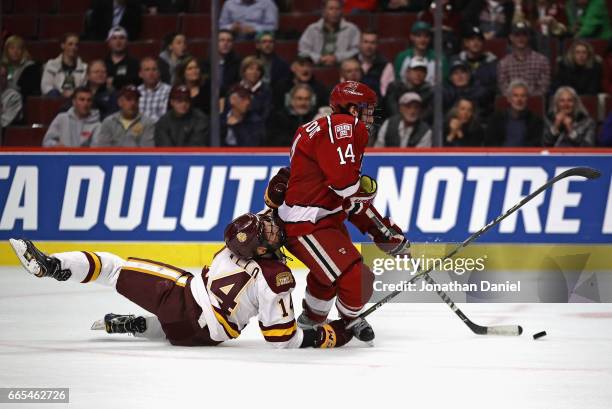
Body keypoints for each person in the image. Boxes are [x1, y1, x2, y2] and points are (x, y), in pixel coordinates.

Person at [8, 212, 354, 349]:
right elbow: (281, 337)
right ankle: (135, 325)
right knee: (174, 316)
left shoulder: (236, 250)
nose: (272, 228)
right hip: (202, 337)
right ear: (259, 247)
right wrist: (331, 335)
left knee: (113, 267)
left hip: (182, 303)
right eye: (266, 229)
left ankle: (51, 266)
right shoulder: (276, 277)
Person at [265, 81, 411, 343]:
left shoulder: (323, 129)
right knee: (358, 279)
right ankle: (348, 319)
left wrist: (384, 234)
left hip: (322, 218)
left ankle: (312, 320)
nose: (370, 116)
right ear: (353, 109)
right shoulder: (346, 128)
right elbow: (345, 187)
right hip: (306, 223)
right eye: (367, 109)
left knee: (328, 276)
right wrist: (382, 229)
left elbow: (346, 198)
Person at [298, 0, 361, 66]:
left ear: (342, 11)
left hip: (343, 67)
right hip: (316, 67)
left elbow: (357, 50)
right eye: (331, 8)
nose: (334, 12)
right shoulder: (312, 29)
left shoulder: (351, 29)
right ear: (324, 11)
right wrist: (319, 58)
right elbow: (303, 50)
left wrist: (337, 57)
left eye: (337, 9)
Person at [497, 21, 551, 96]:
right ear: (511, 37)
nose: (520, 38)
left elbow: (543, 88)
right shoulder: (503, 63)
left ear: (528, 37)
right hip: (512, 104)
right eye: (517, 35)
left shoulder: (542, 61)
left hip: (534, 103)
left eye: (524, 35)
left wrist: (525, 98)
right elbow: (504, 89)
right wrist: (517, 98)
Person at [485, 79, 544, 146]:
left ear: (527, 99)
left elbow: (536, 145)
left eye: (523, 96)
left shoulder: (536, 121)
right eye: (515, 95)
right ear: (509, 99)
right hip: (501, 155)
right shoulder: (496, 119)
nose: (519, 100)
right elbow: (490, 144)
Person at [453, 26, 498, 104]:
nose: (476, 43)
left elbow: (492, 88)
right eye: (472, 39)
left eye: (479, 40)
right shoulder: (456, 61)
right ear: (466, 42)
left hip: (482, 105)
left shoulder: (491, 63)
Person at [394, 21, 447, 85]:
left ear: (430, 38)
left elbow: (444, 84)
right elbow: (397, 81)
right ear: (411, 37)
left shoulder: (440, 58)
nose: (422, 40)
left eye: (426, 36)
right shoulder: (402, 57)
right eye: (418, 36)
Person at [40, 33, 87, 98]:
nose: (73, 47)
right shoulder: (51, 65)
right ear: (63, 45)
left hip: (76, 99)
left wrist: (74, 93)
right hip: (55, 98)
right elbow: (45, 87)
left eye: (76, 45)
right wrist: (62, 93)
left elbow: (84, 87)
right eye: (70, 44)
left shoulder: (84, 67)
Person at [204, 30, 242, 98]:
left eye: (229, 40)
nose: (225, 43)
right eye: (222, 40)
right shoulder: (205, 64)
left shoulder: (238, 64)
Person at [356, 30, 394, 98]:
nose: (369, 46)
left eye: (372, 43)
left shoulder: (386, 66)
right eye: (365, 42)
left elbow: (384, 94)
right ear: (360, 44)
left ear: (377, 45)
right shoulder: (351, 62)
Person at [238, 56, 272, 121]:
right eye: (251, 69)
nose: (254, 72)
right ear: (244, 71)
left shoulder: (266, 91)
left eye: (258, 70)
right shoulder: (235, 89)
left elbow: (266, 113)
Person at [138, 57, 171, 122]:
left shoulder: (168, 91)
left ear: (159, 73)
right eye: (147, 70)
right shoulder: (136, 92)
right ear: (140, 74)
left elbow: (165, 118)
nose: (151, 73)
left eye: (154, 69)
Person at [0, 65, 23, 134]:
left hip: (6, 137)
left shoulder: (14, 96)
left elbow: (4, 123)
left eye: (2, 76)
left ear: (7, 78)